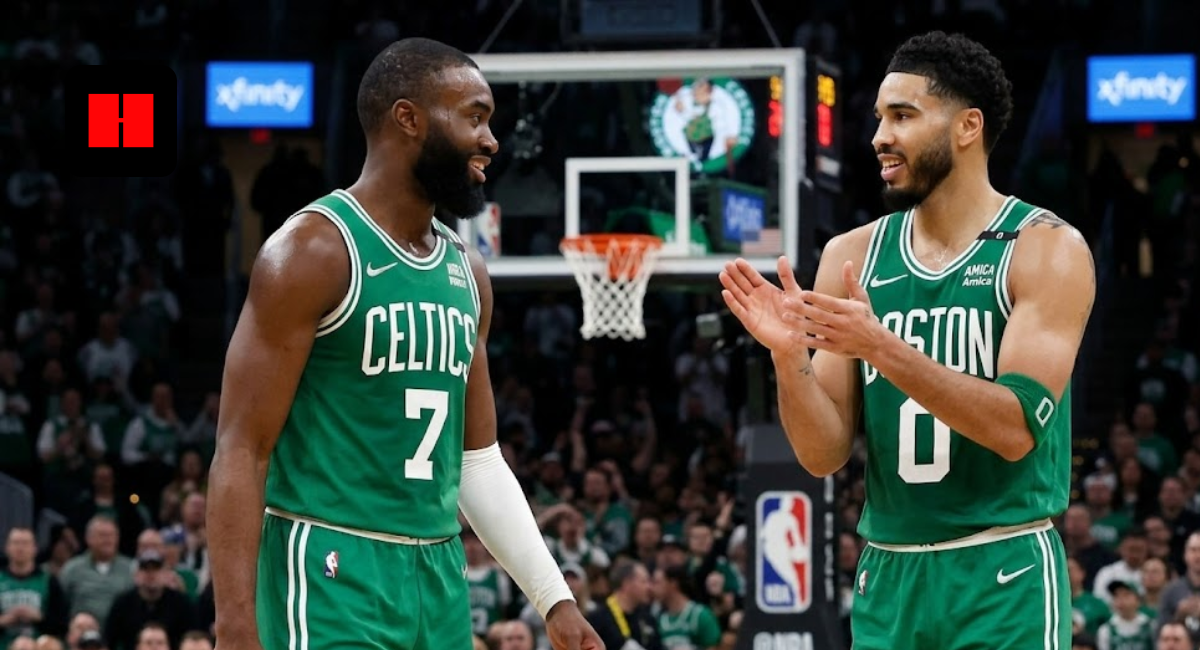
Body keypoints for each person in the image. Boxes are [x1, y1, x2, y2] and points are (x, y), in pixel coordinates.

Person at [207, 37, 602, 650]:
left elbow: (477, 459)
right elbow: (242, 447)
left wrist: (554, 599)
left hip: (438, 576)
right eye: (474, 116)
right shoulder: (312, 252)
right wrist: (234, 624)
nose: (491, 140)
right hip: (331, 567)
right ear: (408, 119)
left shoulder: (466, 272)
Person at [720, 31, 1095, 649]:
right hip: (887, 574)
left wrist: (881, 347)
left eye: (903, 116)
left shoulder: (1045, 248)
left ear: (967, 126)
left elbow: (1015, 428)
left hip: (1001, 570)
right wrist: (789, 360)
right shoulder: (851, 255)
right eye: (878, 118)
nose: (879, 137)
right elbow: (823, 454)